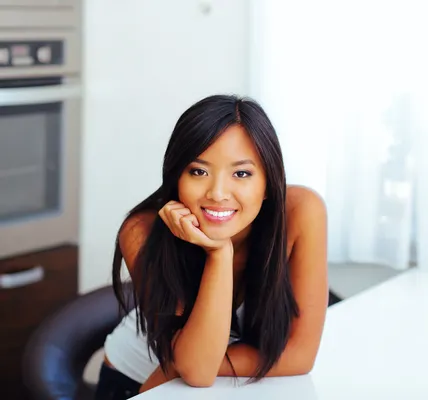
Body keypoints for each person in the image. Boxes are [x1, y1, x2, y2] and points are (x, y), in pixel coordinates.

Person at [94, 94, 328, 399]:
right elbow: (196, 373)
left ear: (269, 181)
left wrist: (193, 361)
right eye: (198, 171)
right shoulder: (142, 230)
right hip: (140, 384)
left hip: (226, 384)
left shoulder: (301, 212)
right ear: (176, 175)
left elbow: (299, 357)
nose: (217, 193)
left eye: (241, 173)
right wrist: (219, 253)